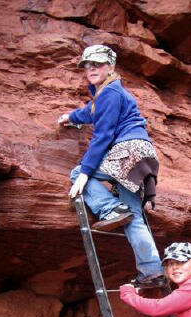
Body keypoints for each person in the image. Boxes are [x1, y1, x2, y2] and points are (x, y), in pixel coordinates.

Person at [58, 44, 164, 288]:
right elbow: (91, 112)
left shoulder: (110, 93)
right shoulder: (108, 93)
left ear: (110, 66)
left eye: (97, 64)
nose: (91, 69)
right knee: (134, 217)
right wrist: (71, 118)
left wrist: (85, 173)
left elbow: (103, 136)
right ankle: (152, 272)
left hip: (128, 151)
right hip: (143, 156)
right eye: (87, 65)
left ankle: (110, 208)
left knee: (78, 172)